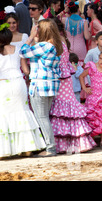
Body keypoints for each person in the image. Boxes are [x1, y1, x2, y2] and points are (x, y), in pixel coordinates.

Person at [49, 18, 96, 154]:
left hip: (61, 78)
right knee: (67, 107)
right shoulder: (62, 40)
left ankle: (64, 144)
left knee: (62, 108)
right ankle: (76, 142)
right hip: (65, 78)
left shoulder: (55, 42)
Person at [0, 24, 46, 158]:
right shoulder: (18, 48)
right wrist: (32, 34)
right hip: (19, 83)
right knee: (22, 112)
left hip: (3, 85)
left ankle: (4, 150)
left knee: (4, 115)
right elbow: (26, 70)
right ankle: (27, 148)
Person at [19, 19, 63, 157]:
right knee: (45, 117)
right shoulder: (55, 45)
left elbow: (23, 52)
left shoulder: (44, 45)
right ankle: (49, 146)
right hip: (50, 85)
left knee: (42, 117)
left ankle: (50, 148)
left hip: (40, 85)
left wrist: (31, 37)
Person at [83, 31, 102, 102]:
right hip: (95, 83)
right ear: (96, 41)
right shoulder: (91, 52)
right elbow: (85, 65)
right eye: (101, 39)